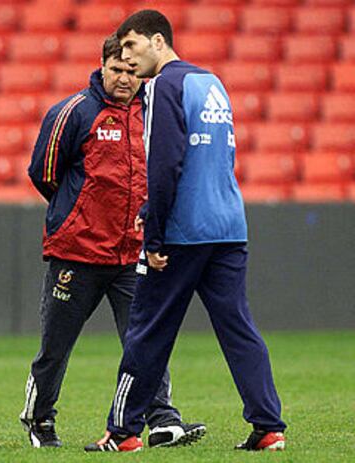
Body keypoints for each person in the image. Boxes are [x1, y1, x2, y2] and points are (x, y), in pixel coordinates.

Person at [85, 10, 287, 453]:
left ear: (158, 41)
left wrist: (154, 235)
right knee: (239, 330)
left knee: (147, 330)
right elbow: (208, 159)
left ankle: (122, 432)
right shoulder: (211, 82)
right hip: (229, 227)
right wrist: (149, 208)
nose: (127, 59)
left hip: (182, 234)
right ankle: (269, 427)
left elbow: (166, 163)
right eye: (119, 53)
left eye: (132, 47)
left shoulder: (163, 87)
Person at [20, 34, 205, 449]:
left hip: (131, 254)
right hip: (77, 252)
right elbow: (43, 173)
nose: (124, 78)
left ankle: (162, 420)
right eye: (117, 69)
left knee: (145, 340)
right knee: (55, 346)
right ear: (102, 67)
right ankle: (39, 418)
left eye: (131, 71)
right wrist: (76, 211)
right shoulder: (72, 112)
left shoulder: (154, 114)